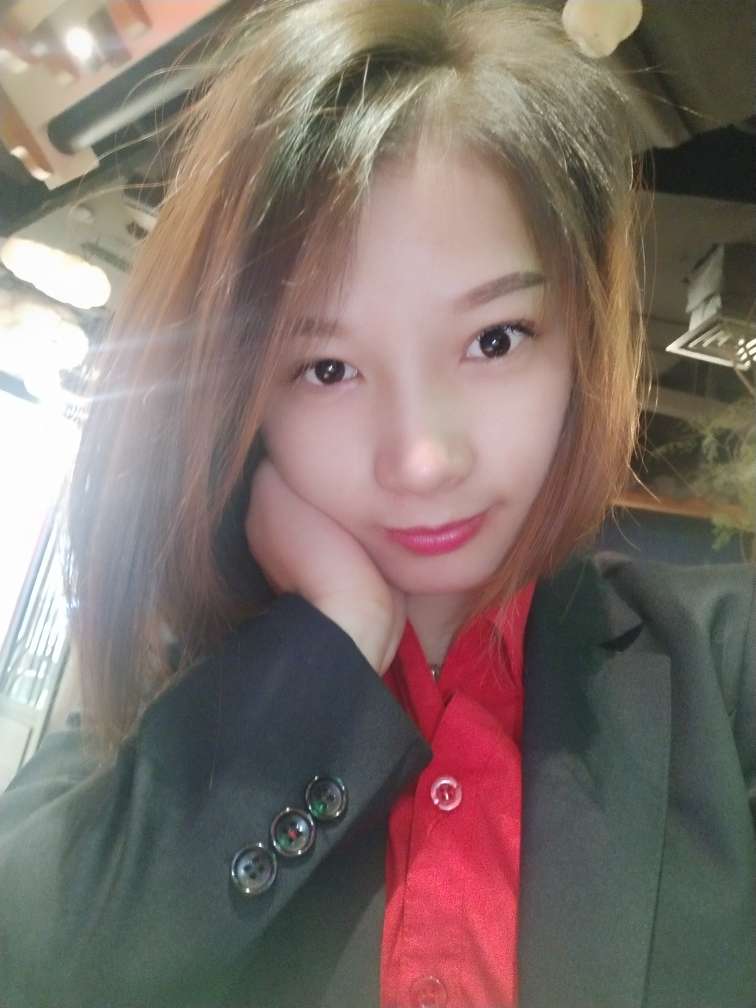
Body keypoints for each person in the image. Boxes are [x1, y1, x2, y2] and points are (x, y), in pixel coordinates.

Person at [0, 1, 753, 1006]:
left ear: (578, 338)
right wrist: (338, 633)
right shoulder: (160, 708)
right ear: (243, 398)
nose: (423, 459)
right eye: (326, 368)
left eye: (494, 340)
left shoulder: (721, 670)